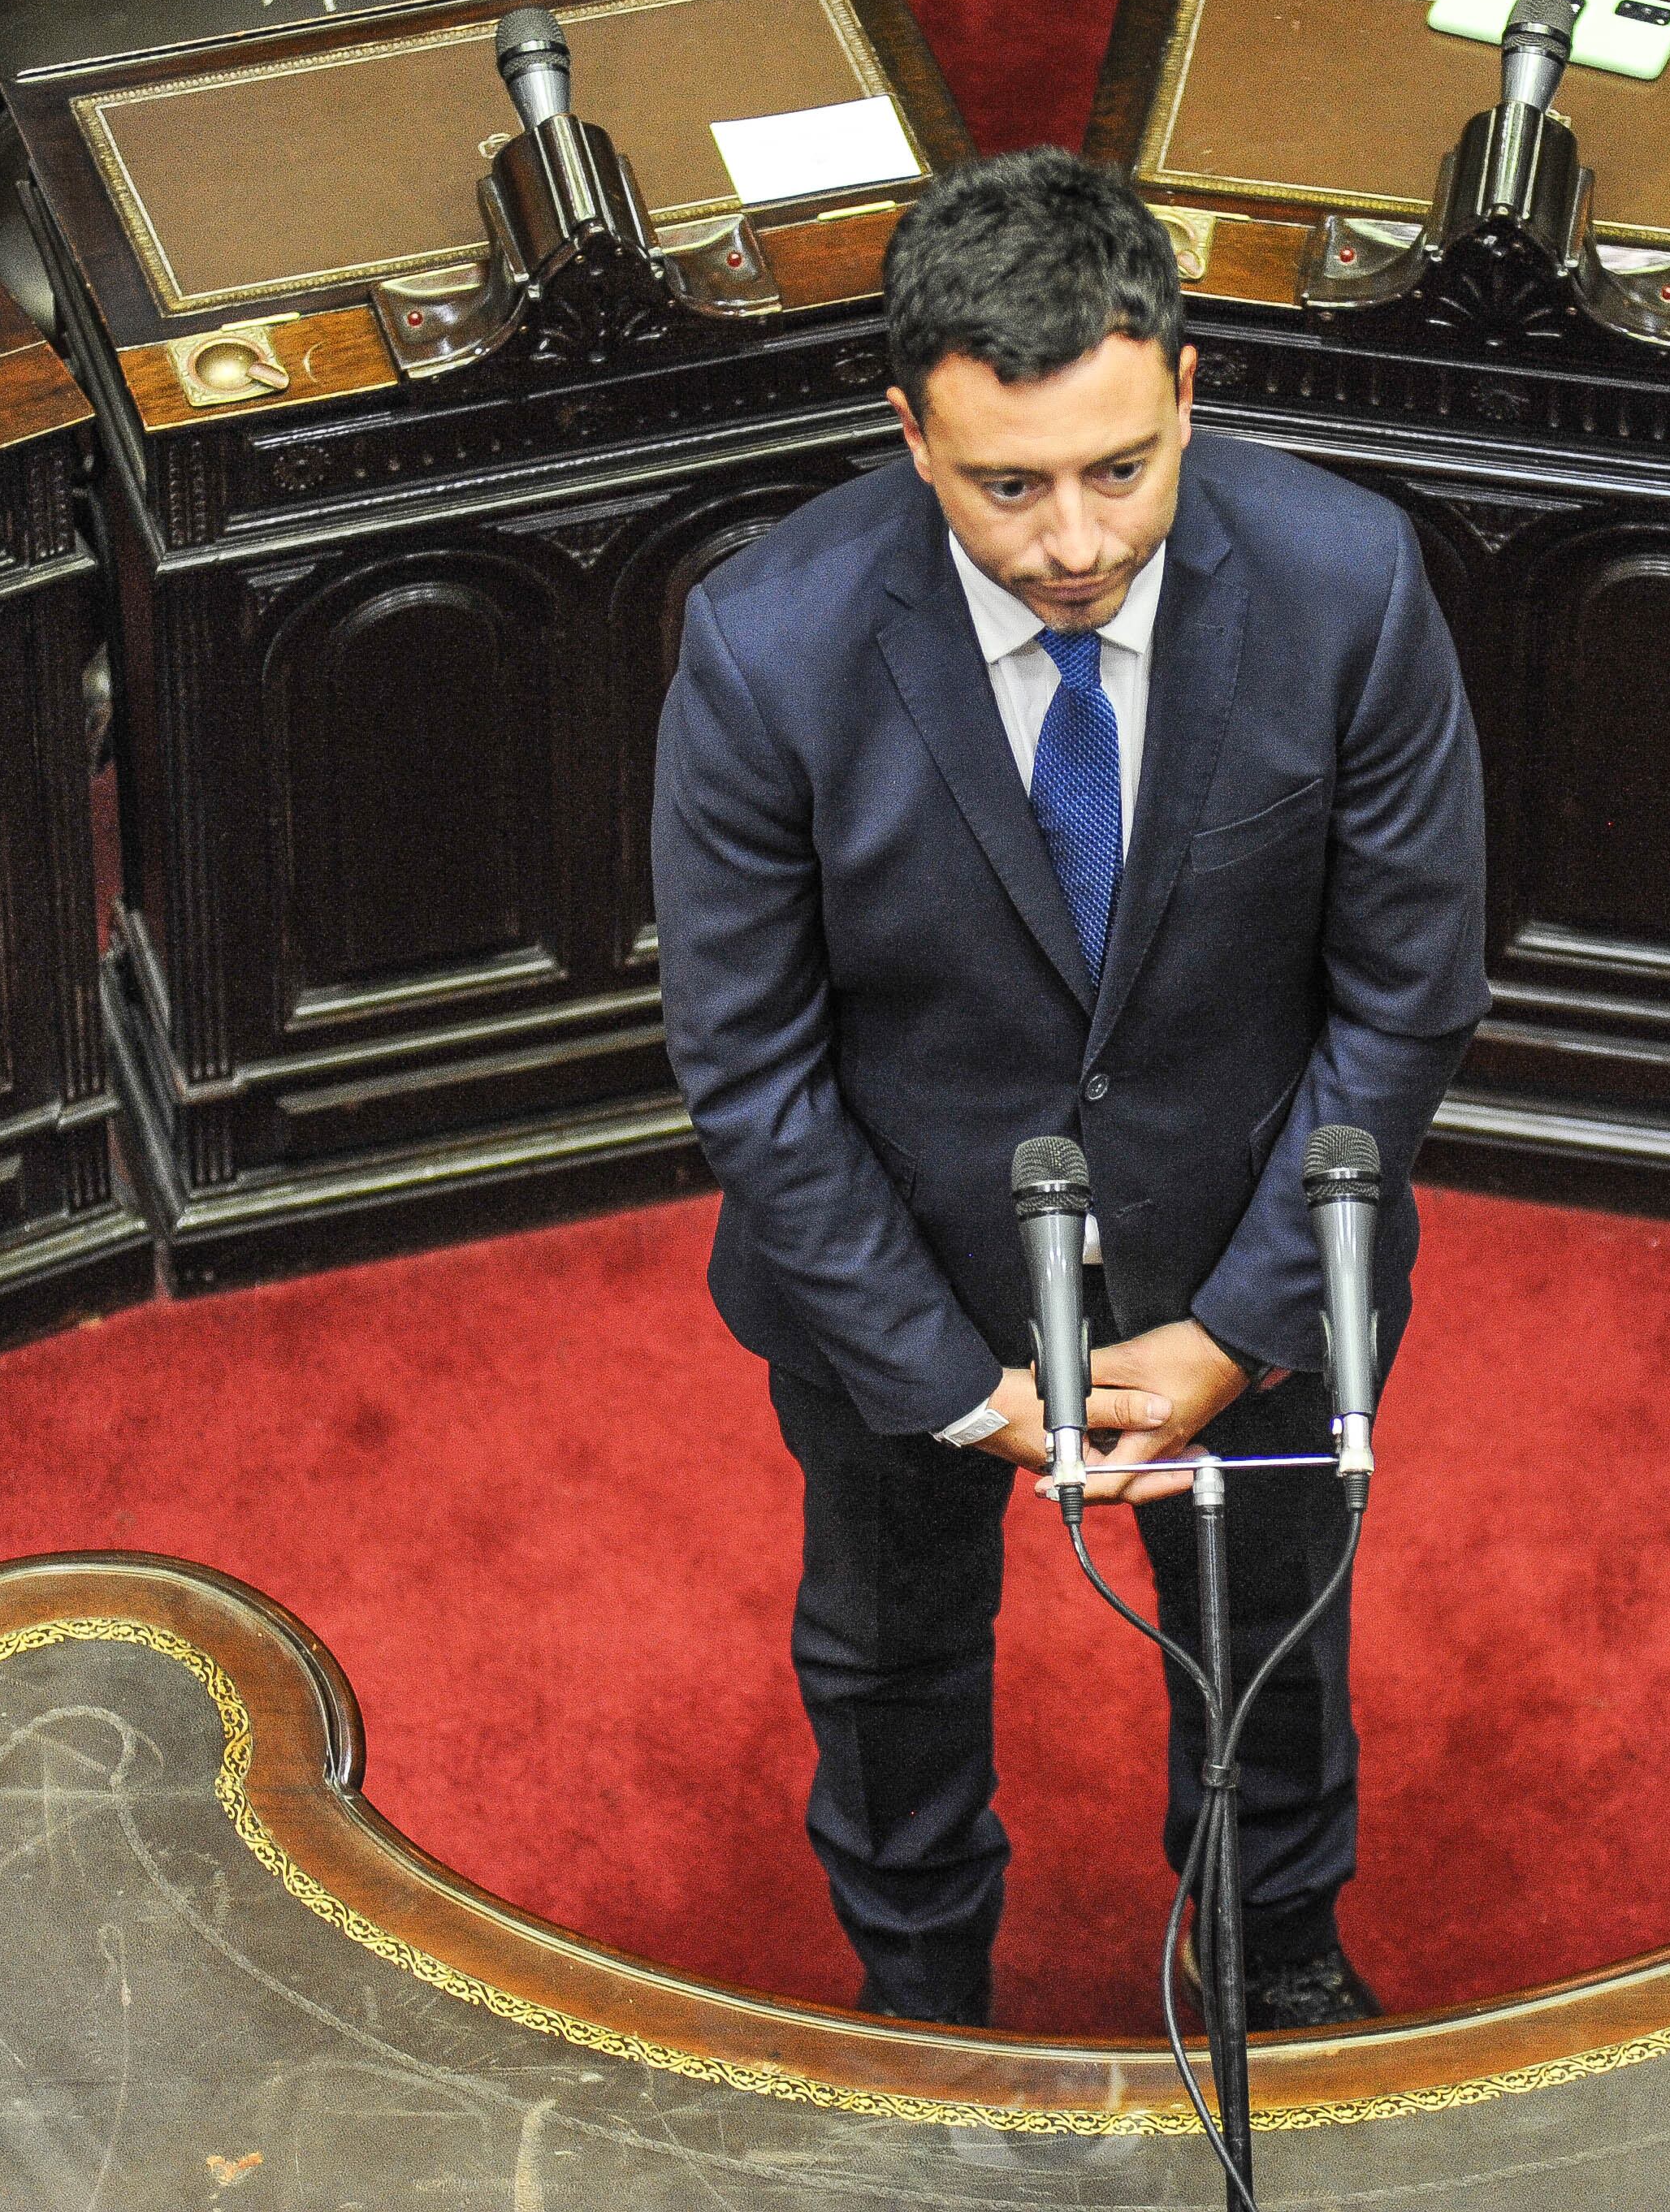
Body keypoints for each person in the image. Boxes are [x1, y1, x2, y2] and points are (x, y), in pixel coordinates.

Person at [651, 146, 1488, 2031]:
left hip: (1251, 1248)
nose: (1072, 541)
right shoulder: (766, 642)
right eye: (1004, 486)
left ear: (1190, 391)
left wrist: (1248, 1320)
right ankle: (922, 1987)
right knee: (886, 1662)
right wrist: (947, 1381)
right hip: (903, 1290)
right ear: (906, 433)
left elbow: (1404, 992)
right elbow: (752, 1062)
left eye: (1120, 468)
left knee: (1274, 1631)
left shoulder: (1347, 582)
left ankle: (1276, 1946)